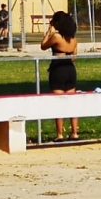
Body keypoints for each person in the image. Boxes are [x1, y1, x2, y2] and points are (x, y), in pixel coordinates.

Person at [41, 11, 79, 141]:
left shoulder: (56, 37)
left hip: (58, 70)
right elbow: (74, 57)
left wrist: (48, 33)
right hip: (70, 69)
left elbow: (43, 46)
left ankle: (60, 134)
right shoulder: (73, 39)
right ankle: (74, 132)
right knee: (72, 102)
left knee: (58, 102)